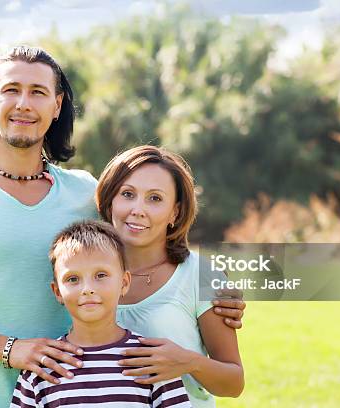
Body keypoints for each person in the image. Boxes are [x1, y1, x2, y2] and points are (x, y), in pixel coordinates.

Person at [0, 45, 244, 407]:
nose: (24, 104)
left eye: (38, 92)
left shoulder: (86, 193)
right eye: (11, 90)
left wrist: (216, 290)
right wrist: (7, 350)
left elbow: (146, 249)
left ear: (57, 105)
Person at [96, 146, 245, 406]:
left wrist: (188, 361)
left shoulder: (203, 276)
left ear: (174, 213)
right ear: (110, 202)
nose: (138, 209)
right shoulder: (83, 276)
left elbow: (234, 383)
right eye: (128, 194)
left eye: (155, 199)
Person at [11, 220, 192, 407]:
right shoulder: (41, 369)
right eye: (73, 279)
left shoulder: (152, 361)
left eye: (101, 275)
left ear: (124, 282)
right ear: (57, 291)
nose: (87, 289)